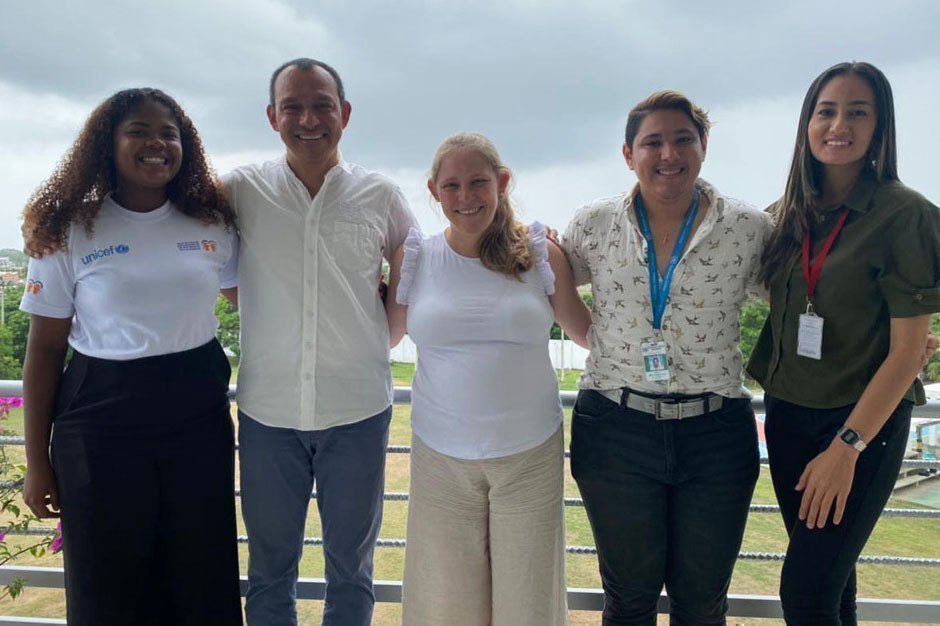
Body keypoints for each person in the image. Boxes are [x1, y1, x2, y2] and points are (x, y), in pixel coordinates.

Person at [19, 88, 242, 626]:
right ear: (107, 144)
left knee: (202, 578)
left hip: (197, 419)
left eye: (169, 133)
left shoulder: (211, 223)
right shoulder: (70, 228)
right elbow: (45, 350)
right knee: (106, 586)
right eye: (138, 131)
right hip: (100, 422)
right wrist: (36, 462)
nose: (156, 143)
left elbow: (261, 301)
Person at [562, 91, 772, 626]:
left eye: (682, 139)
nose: (668, 154)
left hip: (715, 434)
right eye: (652, 142)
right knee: (628, 600)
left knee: (702, 605)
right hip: (615, 430)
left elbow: (801, 297)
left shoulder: (750, 230)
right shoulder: (593, 224)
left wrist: (895, 336)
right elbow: (535, 281)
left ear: (704, 146)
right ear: (628, 154)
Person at [225, 58, 417, 626]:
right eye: (293, 106)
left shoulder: (379, 193)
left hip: (356, 410)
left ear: (345, 113)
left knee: (352, 573)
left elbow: (418, 254)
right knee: (268, 572)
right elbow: (200, 255)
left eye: (322, 105)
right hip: (267, 412)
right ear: (272, 116)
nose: (308, 119)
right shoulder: (240, 188)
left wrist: (388, 330)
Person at [747, 61, 940, 625]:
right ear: (807, 123)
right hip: (787, 416)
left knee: (804, 595)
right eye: (826, 111)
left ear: (881, 127)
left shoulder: (906, 216)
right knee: (833, 589)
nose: (840, 125)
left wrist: (846, 446)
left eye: (859, 112)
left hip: (860, 428)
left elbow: (907, 352)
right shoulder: (786, 216)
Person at [385, 132, 591, 626]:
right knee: (444, 604)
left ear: (501, 183)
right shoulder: (414, 258)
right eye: (451, 185)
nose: (465, 197)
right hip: (440, 456)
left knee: (529, 603)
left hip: (529, 454)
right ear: (433, 191)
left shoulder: (542, 254)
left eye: (478, 182)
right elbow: (383, 337)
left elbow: (587, 333)